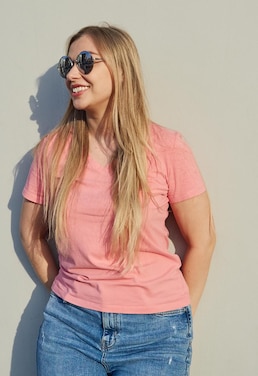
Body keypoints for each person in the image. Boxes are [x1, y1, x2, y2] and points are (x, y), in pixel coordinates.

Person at [19, 24, 216, 375]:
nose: (72, 74)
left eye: (85, 62)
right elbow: (31, 234)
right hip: (69, 331)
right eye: (67, 65)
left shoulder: (167, 147)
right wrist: (71, 295)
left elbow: (203, 239)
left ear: (120, 70)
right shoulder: (52, 151)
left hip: (156, 335)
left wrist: (180, 314)